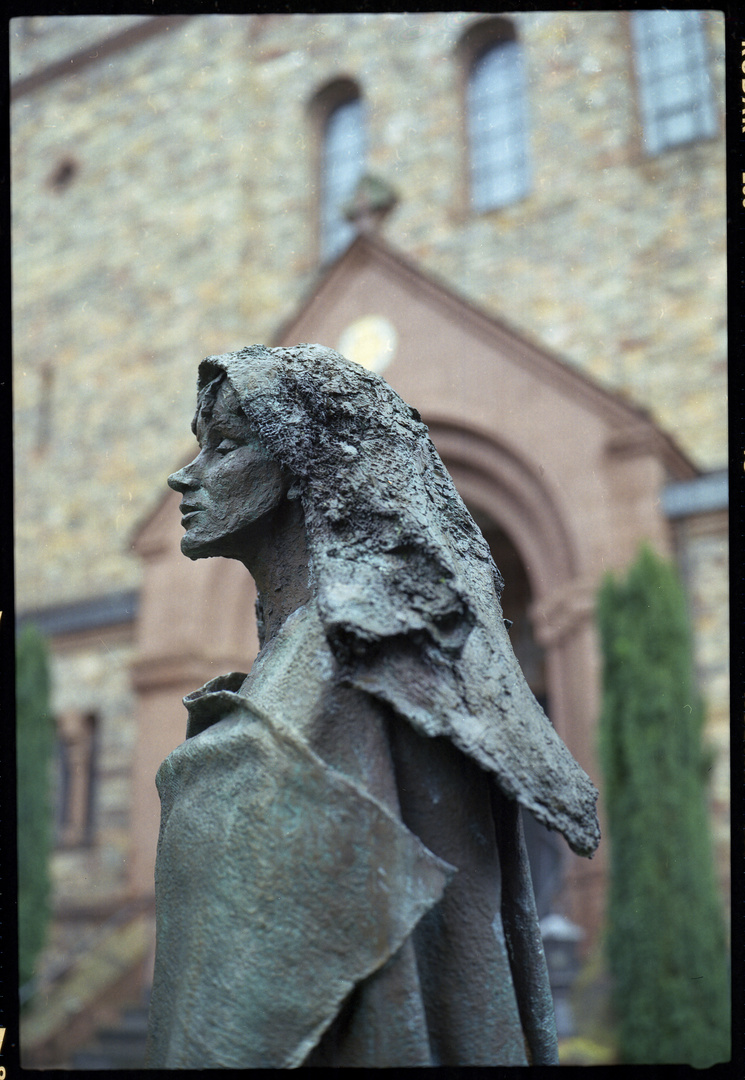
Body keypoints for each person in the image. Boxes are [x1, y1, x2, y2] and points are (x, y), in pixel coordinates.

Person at [145, 343, 600, 1068]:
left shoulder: (362, 665)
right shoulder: (285, 667)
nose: (184, 475)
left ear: (304, 465)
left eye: (225, 446)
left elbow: (437, 950)